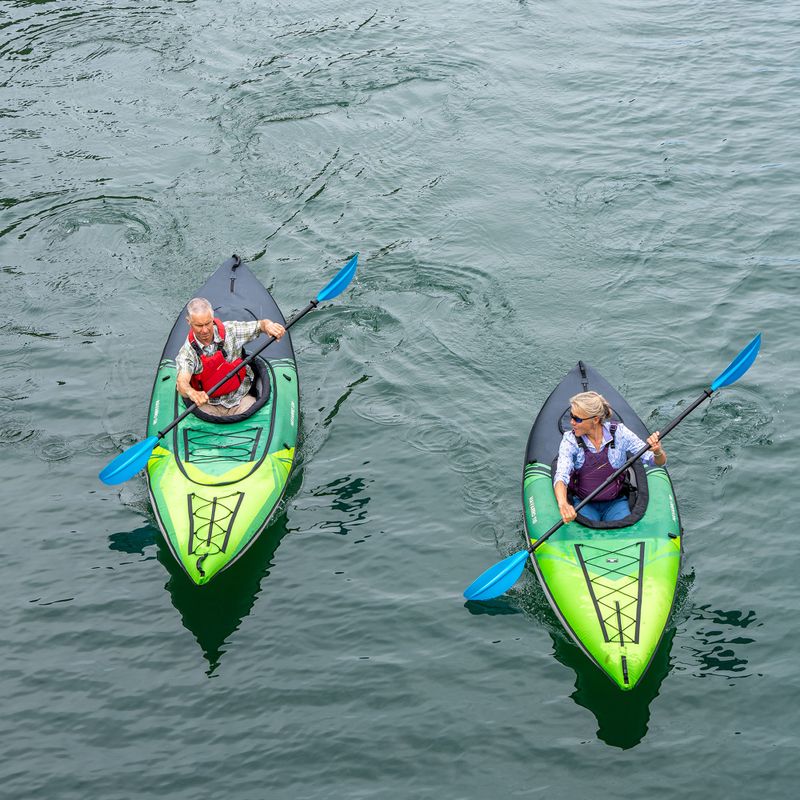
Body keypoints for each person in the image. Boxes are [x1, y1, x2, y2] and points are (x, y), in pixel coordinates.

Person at [554, 391, 666, 524]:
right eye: (571, 416)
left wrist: (657, 451)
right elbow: (561, 475)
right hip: (584, 503)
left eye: (577, 419)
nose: (572, 422)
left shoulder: (620, 433)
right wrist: (563, 504)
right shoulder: (570, 440)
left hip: (616, 502)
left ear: (595, 419)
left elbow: (655, 461)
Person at [175, 297, 285, 417]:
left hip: (240, 398)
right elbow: (182, 382)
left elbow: (261, 325)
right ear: (188, 322)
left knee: (253, 409)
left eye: (208, 323)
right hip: (208, 405)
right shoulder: (187, 352)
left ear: (212, 318)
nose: (205, 330)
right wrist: (192, 393)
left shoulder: (231, 330)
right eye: (199, 325)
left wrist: (269, 325)